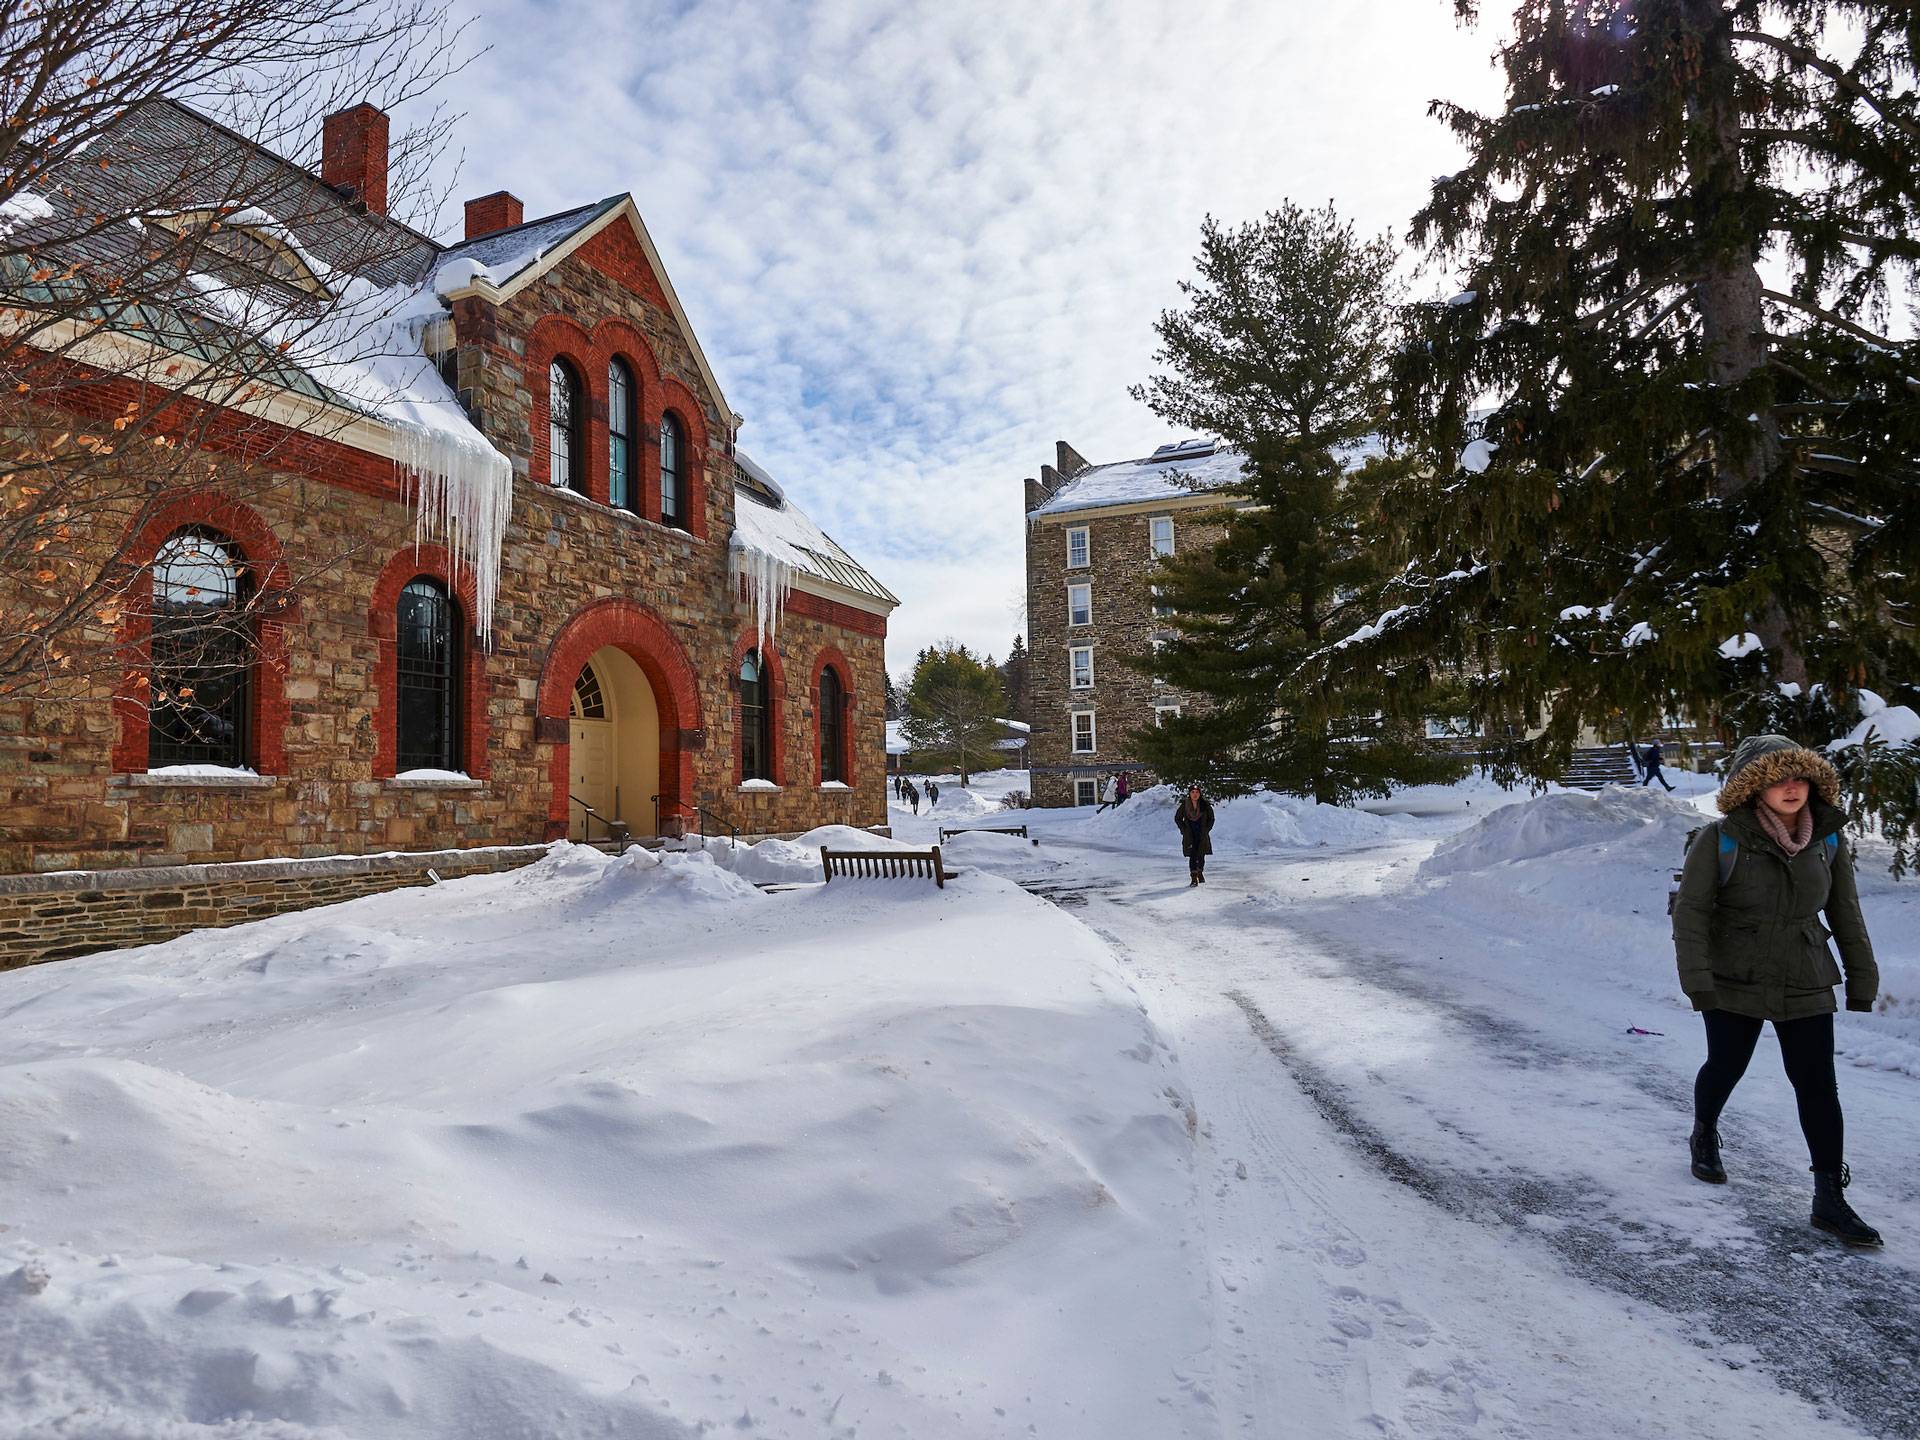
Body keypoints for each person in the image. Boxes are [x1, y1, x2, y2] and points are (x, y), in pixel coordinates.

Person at [1670, 734, 1882, 1246]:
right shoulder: (1719, 840)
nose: (1792, 787)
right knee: (1727, 1064)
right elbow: (1692, 914)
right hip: (1734, 974)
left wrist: (1863, 976)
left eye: (1801, 777)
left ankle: (1829, 1197)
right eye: (1777, 778)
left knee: (1816, 1084)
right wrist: (1697, 981)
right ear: (1753, 788)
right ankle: (1704, 1133)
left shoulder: (1828, 840)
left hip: (1805, 973)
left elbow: (1845, 911)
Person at [1174, 782, 1214, 886]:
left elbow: (1211, 818)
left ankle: (1200, 872)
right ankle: (1193, 878)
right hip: (1190, 834)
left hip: (1202, 834)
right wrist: (1183, 830)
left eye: (1197, 792)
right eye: (1192, 792)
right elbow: (1177, 818)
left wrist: (1206, 830)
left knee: (1201, 855)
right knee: (1192, 855)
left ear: (1200, 793)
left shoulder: (1205, 804)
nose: (1195, 794)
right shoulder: (1185, 805)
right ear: (1189, 794)